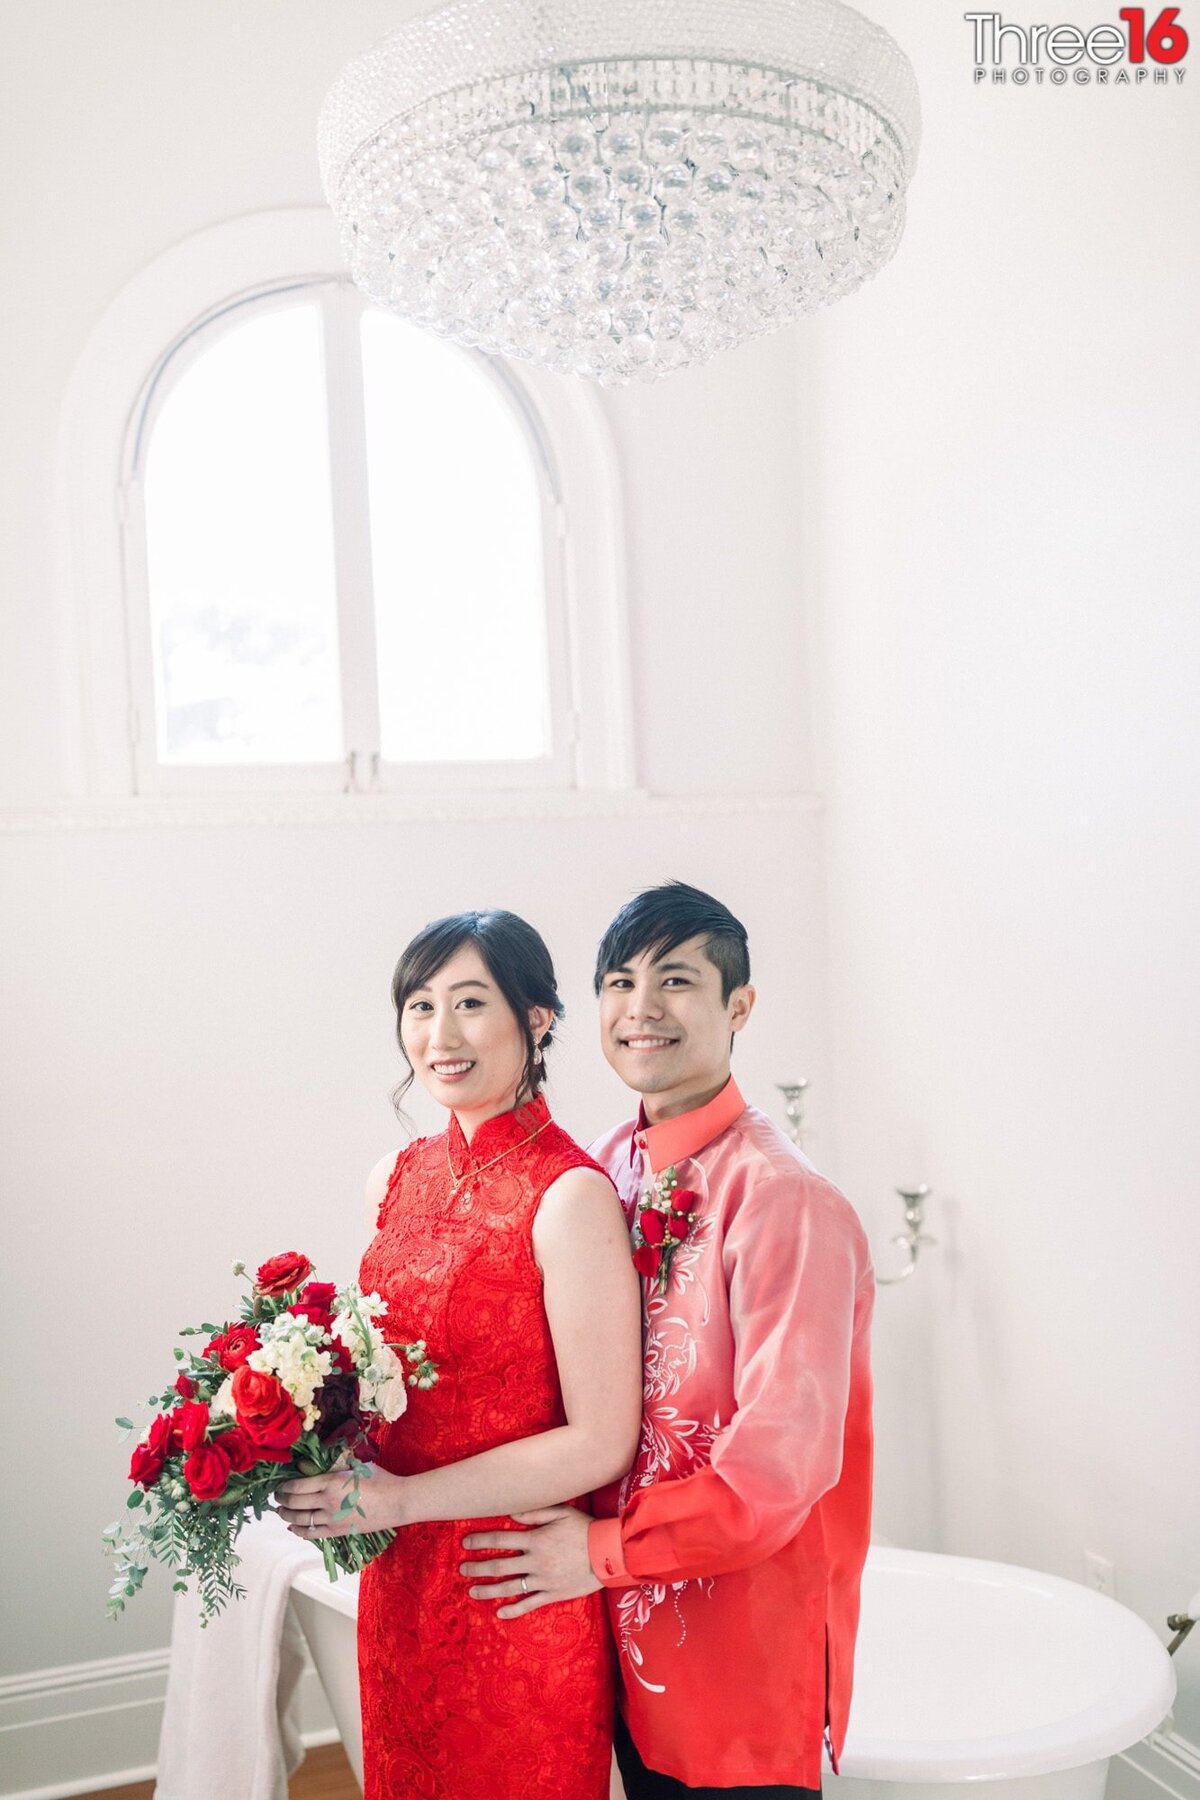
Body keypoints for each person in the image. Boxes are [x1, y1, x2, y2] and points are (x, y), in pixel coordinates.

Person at [459, 881, 875, 1798]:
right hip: (610, 1633)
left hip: (734, 1655)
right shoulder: (601, 1167)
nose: (641, 1009)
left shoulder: (786, 1202)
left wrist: (595, 1553)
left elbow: (775, 1474)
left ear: (739, 1006)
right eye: (619, 982)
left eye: (676, 981)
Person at [276, 909, 642, 1800]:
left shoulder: (570, 1198)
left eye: (471, 1003)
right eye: (420, 1005)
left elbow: (602, 1441)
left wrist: (401, 1498)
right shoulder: (392, 1179)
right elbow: (379, 1382)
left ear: (538, 1019)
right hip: (398, 1577)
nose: (440, 1035)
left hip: (514, 1581)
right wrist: (298, 1446)